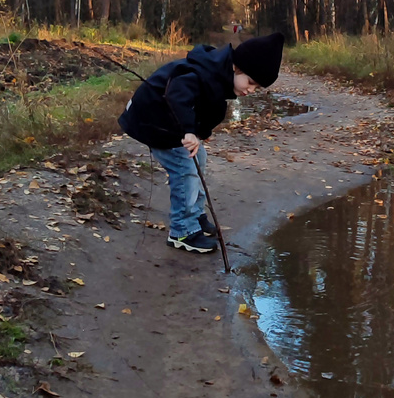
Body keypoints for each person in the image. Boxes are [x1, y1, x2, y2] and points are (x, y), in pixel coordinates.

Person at [118, 33, 284, 253]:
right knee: (185, 170)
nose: (250, 90)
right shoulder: (202, 73)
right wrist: (188, 131)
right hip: (152, 122)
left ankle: (195, 215)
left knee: (199, 158)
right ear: (236, 67)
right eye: (251, 82)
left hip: (169, 124)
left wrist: (199, 133)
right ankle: (182, 231)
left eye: (257, 88)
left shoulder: (219, 77)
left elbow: (209, 109)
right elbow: (178, 95)